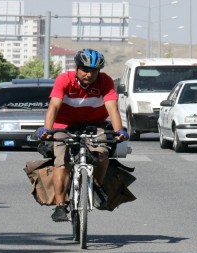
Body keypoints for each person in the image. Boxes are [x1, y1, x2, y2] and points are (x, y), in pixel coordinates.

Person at [37, 48, 129, 222]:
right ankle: (60, 206)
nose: (89, 74)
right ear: (77, 68)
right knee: (62, 160)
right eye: (85, 70)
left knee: (102, 152)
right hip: (63, 126)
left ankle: (95, 187)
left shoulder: (105, 81)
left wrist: (119, 131)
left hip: (95, 125)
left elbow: (112, 108)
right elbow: (54, 107)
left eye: (94, 71)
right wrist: (47, 130)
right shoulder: (64, 79)